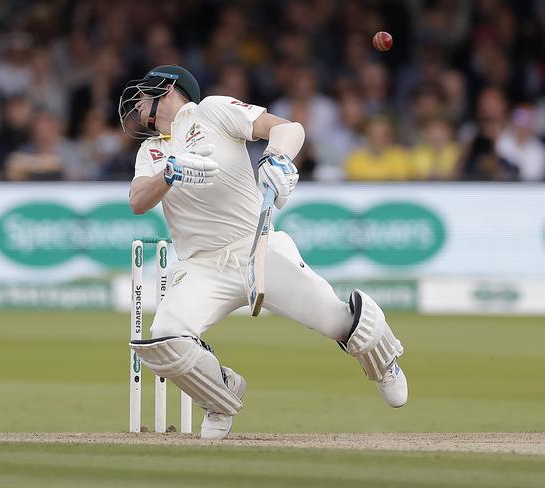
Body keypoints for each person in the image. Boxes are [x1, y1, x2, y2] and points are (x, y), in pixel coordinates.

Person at [121, 65, 408, 440]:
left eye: (145, 94)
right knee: (165, 339)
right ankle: (222, 397)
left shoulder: (213, 110)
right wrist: (170, 173)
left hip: (255, 247)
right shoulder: (152, 150)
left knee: (338, 322)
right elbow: (137, 201)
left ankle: (383, 359)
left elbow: (289, 129)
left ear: (169, 88)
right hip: (201, 266)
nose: (139, 105)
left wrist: (277, 158)